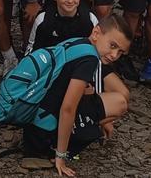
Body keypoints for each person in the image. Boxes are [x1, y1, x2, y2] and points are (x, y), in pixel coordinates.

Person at [20, 14, 132, 176]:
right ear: (96, 33)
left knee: (113, 100)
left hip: (35, 121)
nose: (115, 55)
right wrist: (61, 156)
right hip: (43, 133)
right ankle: (59, 146)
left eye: (120, 52)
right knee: (120, 103)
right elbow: (68, 108)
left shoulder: (77, 42)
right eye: (112, 45)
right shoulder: (89, 60)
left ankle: (73, 134)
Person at [25, 0, 100, 53]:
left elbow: (98, 50)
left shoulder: (90, 19)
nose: (70, 0)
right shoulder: (43, 20)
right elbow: (32, 50)